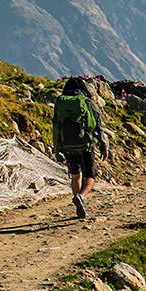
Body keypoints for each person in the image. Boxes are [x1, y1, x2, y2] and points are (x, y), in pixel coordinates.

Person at [52, 74, 106, 219]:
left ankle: (77, 200)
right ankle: (81, 197)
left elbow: (56, 126)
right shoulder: (87, 102)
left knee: (75, 175)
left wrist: (57, 148)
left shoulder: (60, 103)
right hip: (85, 145)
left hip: (67, 145)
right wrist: (103, 145)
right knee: (89, 175)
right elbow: (98, 126)